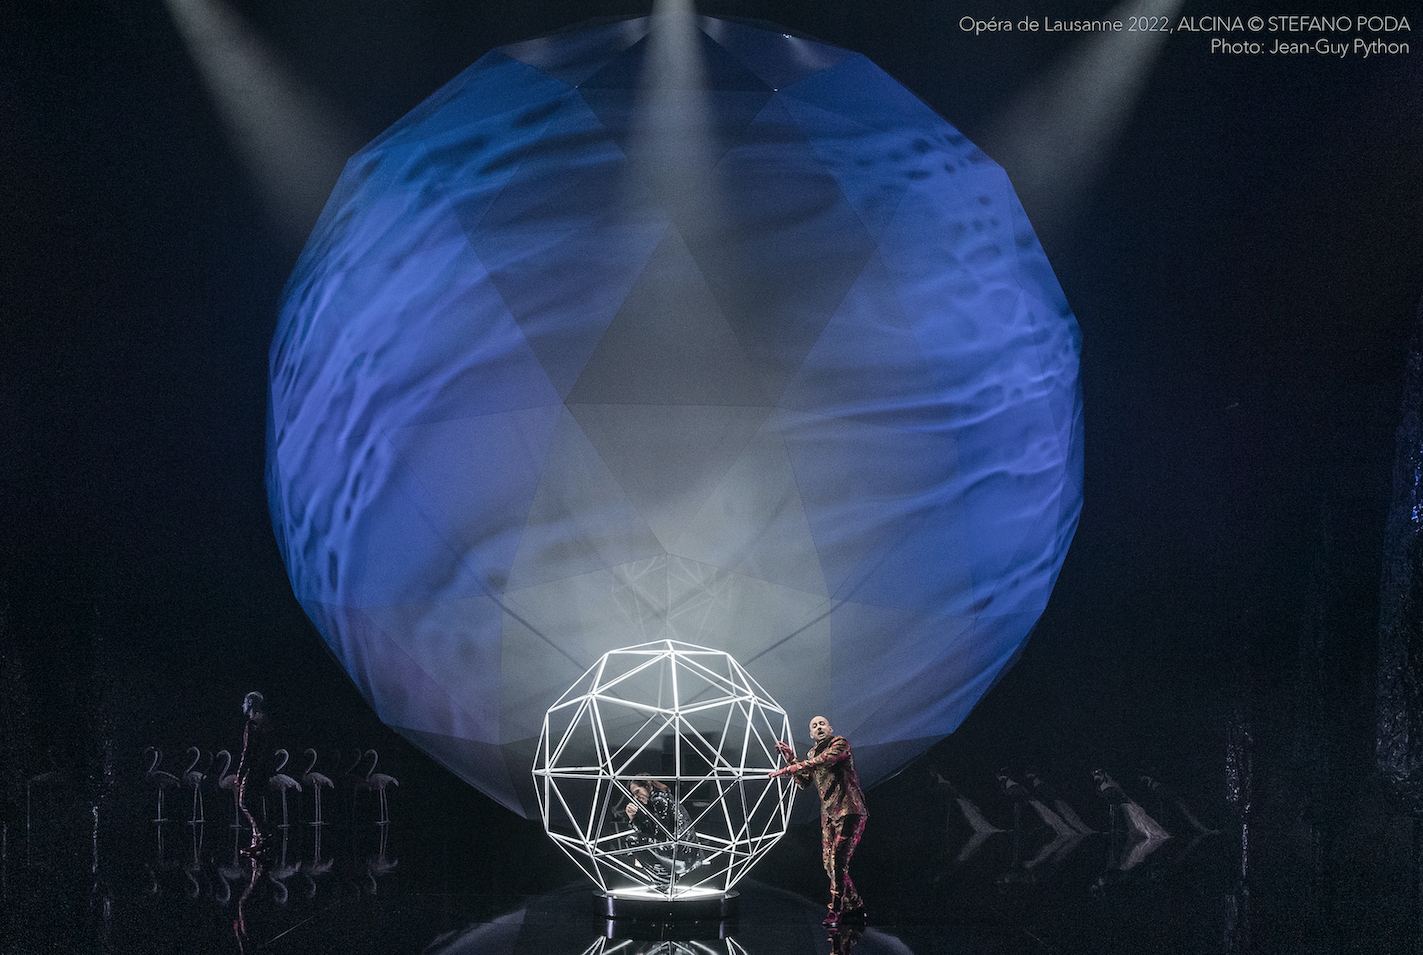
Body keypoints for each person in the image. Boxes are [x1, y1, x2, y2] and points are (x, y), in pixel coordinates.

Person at [771, 715, 867, 925]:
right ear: (811, 734)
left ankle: (836, 910)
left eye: (822, 723)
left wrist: (790, 768)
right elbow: (803, 781)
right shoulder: (812, 753)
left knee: (838, 861)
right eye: (814, 726)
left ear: (830, 728)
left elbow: (826, 760)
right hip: (829, 814)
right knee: (828, 864)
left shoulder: (839, 744)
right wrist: (790, 759)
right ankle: (855, 905)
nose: (819, 727)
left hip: (849, 810)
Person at [620, 774, 703, 880]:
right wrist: (633, 818)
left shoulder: (659, 800)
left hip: (681, 853)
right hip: (684, 852)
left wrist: (639, 851)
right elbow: (656, 832)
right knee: (636, 842)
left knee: (632, 840)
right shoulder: (658, 799)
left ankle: (663, 880)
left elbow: (661, 835)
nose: (636, 797)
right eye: (633, 795)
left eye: (637, 791)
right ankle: (663, 878)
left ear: (647, 786)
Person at [235, 691, 272, 858]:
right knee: (255, 803)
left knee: (245, 802)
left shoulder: (251, 725)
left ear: (249, 703)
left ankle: (263, 838)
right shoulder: (265, 723)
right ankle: (258, 840)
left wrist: (240, 773)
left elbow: (247, 751)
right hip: (263, 770)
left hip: (254, 770)